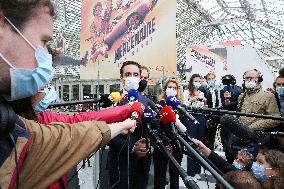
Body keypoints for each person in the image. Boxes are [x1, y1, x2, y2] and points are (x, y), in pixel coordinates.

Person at [0, 1, 136, 189]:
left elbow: (76, 122)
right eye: (43, 41)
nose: (45, 61)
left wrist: (124, 114)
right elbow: (67, 136)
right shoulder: (17, 129)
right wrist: (123, 121)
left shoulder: (13, 118)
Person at [107, 61, 151, 189]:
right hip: (120, 164)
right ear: (121, 78)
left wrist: (149, 146)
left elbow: (152, 128)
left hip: (142, 164)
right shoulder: (112, 100)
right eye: (128, 74)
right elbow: (107, 132)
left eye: (136, 74)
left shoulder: (145, 101)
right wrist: (132, 148)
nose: (132, 77)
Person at [222, 69, 280, 162]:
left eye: (251, 78)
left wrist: (253, 127)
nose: (248, 80)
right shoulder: (242, 96)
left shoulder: (268, 96)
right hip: (240, 138)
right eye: (246, 78)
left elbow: (275, 119)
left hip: (256, 139)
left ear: (259, 79)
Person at [193, 138, 284, 189]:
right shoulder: (252, 180)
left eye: (260, 162)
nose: (255, 164)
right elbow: (226, 166)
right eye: (256, 161)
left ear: (275, 171)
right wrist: (205, 149)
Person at [153, 78, 183, 189]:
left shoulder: (181, 106)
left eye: (174, 88)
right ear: (165, 89)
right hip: (161, 144)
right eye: (169, 87)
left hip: (177, 144)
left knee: (175, 176)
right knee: (160, 176)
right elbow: (155, 125)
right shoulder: (158, 105)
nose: (172, 90)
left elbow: (183, 128)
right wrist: (165, 141)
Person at [186, 74, 206, 178]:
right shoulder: (186, 92)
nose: (197, 83)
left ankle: (197, 170)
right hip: (190, 118)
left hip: (201, 117)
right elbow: (184, 105)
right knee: (191, 143)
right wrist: (192, 99)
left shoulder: (202, 92)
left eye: (199, 81)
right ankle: (190, 172)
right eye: (195, 81)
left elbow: (203, 106)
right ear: (191, 82)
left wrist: (203, 103)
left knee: (200, 144)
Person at [219, 74, 243, 163]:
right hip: (226, 118)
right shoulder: (223, 90)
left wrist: (229, 103)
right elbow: (224, 104)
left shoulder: (239, 90)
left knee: (234, 142)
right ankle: (229, 162)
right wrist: (226, 102)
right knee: (226, 142)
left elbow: (239, 105)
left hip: (235, 118)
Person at [204, 72, 220, 150]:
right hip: (206, 114)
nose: (211, 80)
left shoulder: (217, 90)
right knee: (205, 135)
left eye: (212, 79)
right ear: (206, 80)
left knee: (212, 135)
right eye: (209, 79)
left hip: (215, 115)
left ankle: (211, 152)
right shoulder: (203, 89)